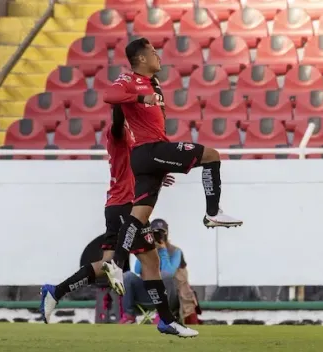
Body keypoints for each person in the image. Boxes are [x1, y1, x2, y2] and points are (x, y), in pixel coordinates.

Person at [101, 37, 243, 331]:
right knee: (211, 156)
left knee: (139, 215)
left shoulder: (153, 84)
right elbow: (109, 96)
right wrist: (141, 99)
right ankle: (212, 212)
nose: (158, 55)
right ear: (140, 58)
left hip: (149, 156)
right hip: (149, 151)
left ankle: (117, 262)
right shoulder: (130, 79)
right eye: (153, 52)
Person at [39, 107, 197, 338]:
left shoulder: (133, 143)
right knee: (151, 262)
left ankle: (56, 291)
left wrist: (159, 177)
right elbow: (116, 122)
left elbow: (134, 173)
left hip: (117, 207)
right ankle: (166, 320)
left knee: (106, 263)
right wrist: (122, 102)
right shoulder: (119, 134)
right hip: (126, 208)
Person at [119, 218, 181, 324]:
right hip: (148, 292)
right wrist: (147, 250)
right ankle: (129, 316)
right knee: (127, 276)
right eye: (154, 233)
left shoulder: (175, 251)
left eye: (160, 233)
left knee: (164, 275)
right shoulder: (145, 248)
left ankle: (163, 315)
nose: (157, 236)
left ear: (166, 234)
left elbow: (169, 272)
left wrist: (163, 251)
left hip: (167, 296)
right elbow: (137, 270)